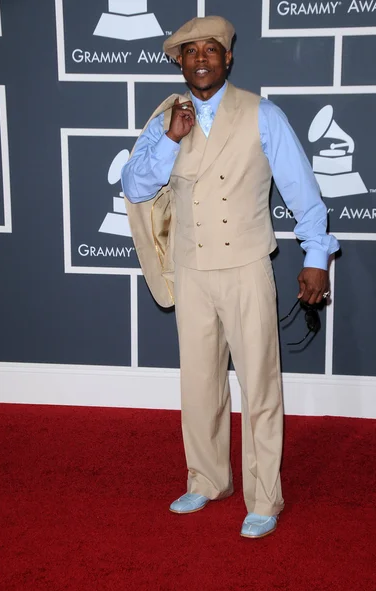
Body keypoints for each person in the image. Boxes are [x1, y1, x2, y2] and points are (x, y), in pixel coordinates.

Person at [121, 15, 339, 539]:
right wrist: (171, 141)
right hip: (192, 268)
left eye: (211, 50)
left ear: (227, 58)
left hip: (246, 268)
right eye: (190, 51)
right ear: (179, 61)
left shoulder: (262, 114)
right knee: (199, 384)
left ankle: (264, 496)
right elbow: (134, 184)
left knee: (260, 385)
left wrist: (315, 255)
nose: (201, 59)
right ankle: (207, 477)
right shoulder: (165, 119)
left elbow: (302, 191)